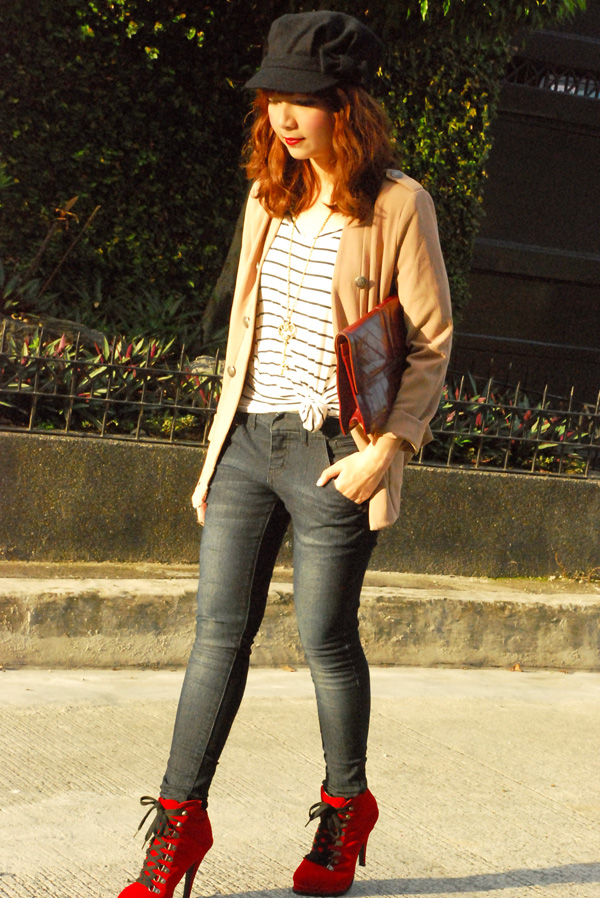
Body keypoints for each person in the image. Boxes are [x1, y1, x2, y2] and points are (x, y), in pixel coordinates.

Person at [117, 10, 452, 898]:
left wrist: (386, 451)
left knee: (323, 639)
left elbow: (431, 342)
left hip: (337, 451)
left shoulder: (399, 205)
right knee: (215, 637)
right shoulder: (269, 195)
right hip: (247, 445)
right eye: (275, 99)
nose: (285, 117)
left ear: (347, 104)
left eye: (303, 99)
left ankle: (345, 811)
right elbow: (247, 335)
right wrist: (215, 456)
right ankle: (178, 825)